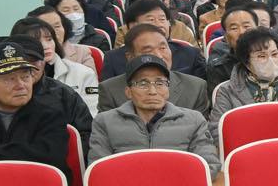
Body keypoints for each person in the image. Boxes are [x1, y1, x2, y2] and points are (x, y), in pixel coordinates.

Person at [0, 36, 90, 184]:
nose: (21, 85)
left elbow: (49, 157)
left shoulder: (50, 116)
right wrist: (21, 155)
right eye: (9, 79)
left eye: (25, 77)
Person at [89, 53, 219, 170]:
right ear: (128, 92)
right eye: (142, 83)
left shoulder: (194, 120)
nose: (152, 91)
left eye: (159, 83)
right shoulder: (105, 122)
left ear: (168, 89)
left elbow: (209, 166)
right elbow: (98, 170)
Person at [98, 24, 212, 117]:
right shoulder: (110, 89)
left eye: (163, 48)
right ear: (130, 57)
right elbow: (107, 130)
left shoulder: (195, 87)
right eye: (148, 51)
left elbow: (200, 133)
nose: (159, 56)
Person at [212, 27, 278, 117]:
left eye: (274, 54)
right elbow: (218, 128)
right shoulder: (227, 91)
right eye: (262, 56)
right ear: (246, 62)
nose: (270, 60)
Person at [15, 16, 99, 114]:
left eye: (49, 39)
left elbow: (91, 115)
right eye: (37, 41)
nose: (45, 46)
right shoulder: (12, 76)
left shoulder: (83, 73)